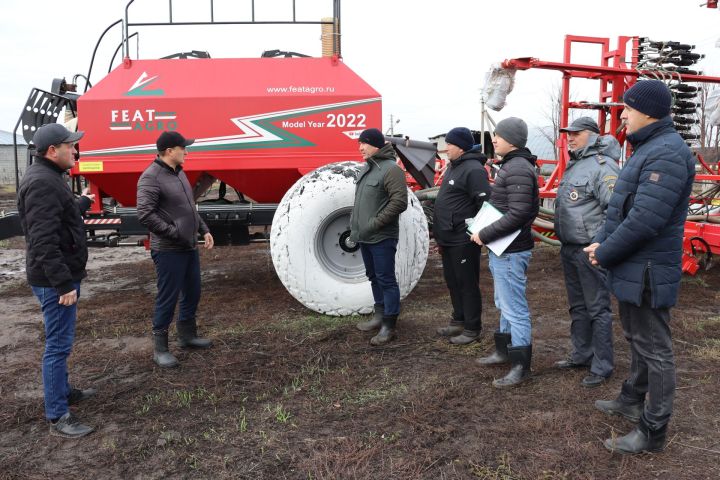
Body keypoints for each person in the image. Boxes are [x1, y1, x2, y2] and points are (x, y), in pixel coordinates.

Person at [584, 80, 695, 454]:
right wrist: (601, 240)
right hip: (634, 265)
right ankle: (632, 398)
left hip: (647, 268)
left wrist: (606, 253)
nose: (623, 115)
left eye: (628, 108)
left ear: (647, 111)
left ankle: (653, 430)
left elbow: (646, 220)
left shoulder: (665, 153)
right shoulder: (648, 149)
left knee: (655, 349)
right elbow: (621, 210)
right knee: (637, 338)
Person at [17, 123, 97, 438]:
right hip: (55, 282)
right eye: (71, 146)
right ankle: (58, 416)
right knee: (58, 345)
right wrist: (63, 285)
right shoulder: (43, 183)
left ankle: (64, 392)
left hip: (58, 276)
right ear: (53, 150)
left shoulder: (49, 178)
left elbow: (58, 216)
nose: (75, 151)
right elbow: (42, 241)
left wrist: (81, 203)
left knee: (61, 341)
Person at [470, 117, 539, 388]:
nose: (494, 139)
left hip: (510, 249)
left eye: (498, 135)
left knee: (514, 307)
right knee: (504, 302)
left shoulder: (518, 168)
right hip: (504, 248)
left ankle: (521, 365)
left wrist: (485, 233)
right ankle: (503, 350)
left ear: (511, 139)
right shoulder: (513, 166)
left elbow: (520, 212)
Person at [137, 131, 214, 368]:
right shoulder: (151, 177)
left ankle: (187, 336)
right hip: (169, 249)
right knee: (167, 297)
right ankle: (160, 349)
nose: (187, 151)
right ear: (170, 151)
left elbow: (189, 208)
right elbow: (145, 214)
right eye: (183, 148)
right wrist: (175, 233)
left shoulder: (179, 173)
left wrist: (204, 229)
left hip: (188, 246)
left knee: (193, 291)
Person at [553, 117, 620, 388]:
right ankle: (581, 354)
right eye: (568, 133)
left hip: (589, 250)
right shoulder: (576, 164)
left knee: (597, 308)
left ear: (592, 135)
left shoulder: (603, 167)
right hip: (569, 247)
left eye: (576, 133)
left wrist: (599, 244)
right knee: (578, 306)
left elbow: (614, 210)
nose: (570, 137)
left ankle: (602, 365)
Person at [351, 128, 408, 346]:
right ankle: (379, 314)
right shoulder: (368, 168)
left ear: (375, 144)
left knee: (386, 279)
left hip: (382, 236)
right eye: (359, 144)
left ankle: (389, 325)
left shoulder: (391, 169)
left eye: (364, 143)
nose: (360, 147)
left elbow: (399, 202)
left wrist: (374, 223)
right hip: (365, 236)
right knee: (373, 276)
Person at [434, 127, 491, 344]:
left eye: (449, 144)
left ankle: (472, 328)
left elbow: (485, 204)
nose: (446, 148)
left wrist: (473, 232)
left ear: (460, 146)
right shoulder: (454, 167)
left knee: (467, 283)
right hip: (447, 237)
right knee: (453, 281)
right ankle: (458, 320)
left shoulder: (473, 170)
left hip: (463, 239)